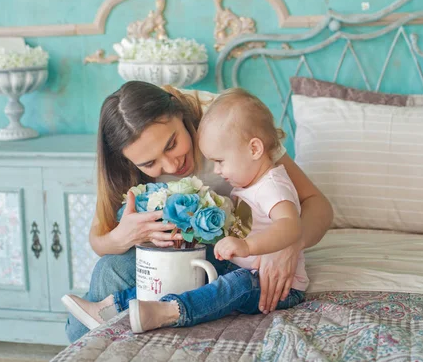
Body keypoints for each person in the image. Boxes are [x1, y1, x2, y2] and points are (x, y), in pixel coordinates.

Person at [65, 81, 333, 342]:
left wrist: (286, 245)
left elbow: (316, 204)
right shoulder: (122, 151)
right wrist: (124, 236)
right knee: (108, 268)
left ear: (181, 116)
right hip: (186, 255)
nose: (171, 165)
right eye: (149, 163)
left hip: (235, 252)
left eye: (171, 144)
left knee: (235, 282)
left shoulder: (227, 122)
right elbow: (99, 241)